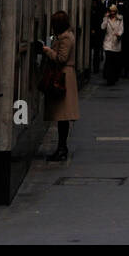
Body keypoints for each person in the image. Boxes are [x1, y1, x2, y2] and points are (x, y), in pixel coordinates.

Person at [41, 11, 79, 161]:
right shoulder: (65, 36)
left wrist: (48, 51)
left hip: (63, 77)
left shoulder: (66, 38)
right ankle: (62, 147)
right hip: (63, 75)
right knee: (62, 116)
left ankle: (62, 148)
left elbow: (61, 58)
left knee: (63, 116)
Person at [101, 4, 123, 84]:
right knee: (108, 60)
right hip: (108, 42)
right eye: (111, 11)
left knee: (114, 62)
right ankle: (109, 78)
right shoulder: (106, 18)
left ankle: (114, 77)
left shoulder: (120, 19)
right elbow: (102, 27)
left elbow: (121, 29)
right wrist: (105, 19)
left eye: (114, 11)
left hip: (116, 42)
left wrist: (119, 34)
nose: (112, 13)